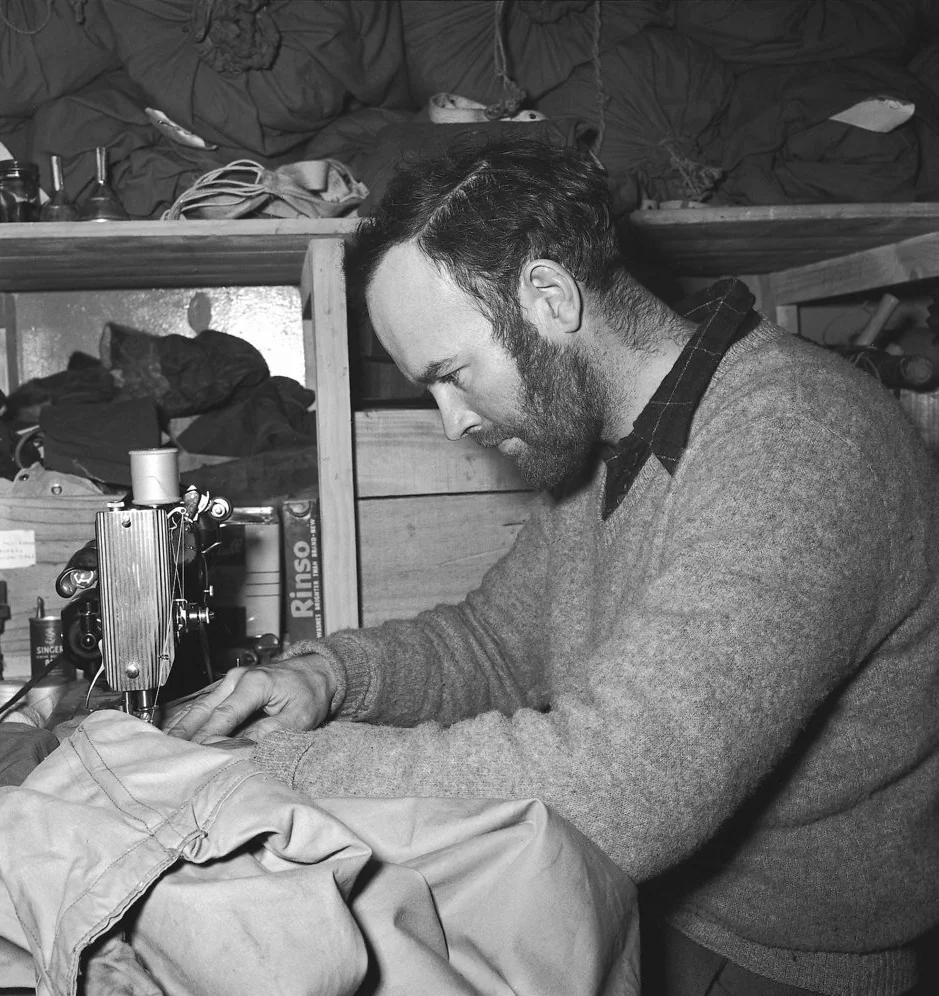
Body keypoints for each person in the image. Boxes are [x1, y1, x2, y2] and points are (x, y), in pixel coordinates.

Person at [166, 137, 939, 995]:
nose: (452, 422)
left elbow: (618, 787)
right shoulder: (614, 446)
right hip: (649, 906)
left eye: (452, 375)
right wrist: (328, 680)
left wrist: (272, 770)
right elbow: (494, 645)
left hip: (768, 960)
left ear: (548, 295)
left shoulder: (799, 443)